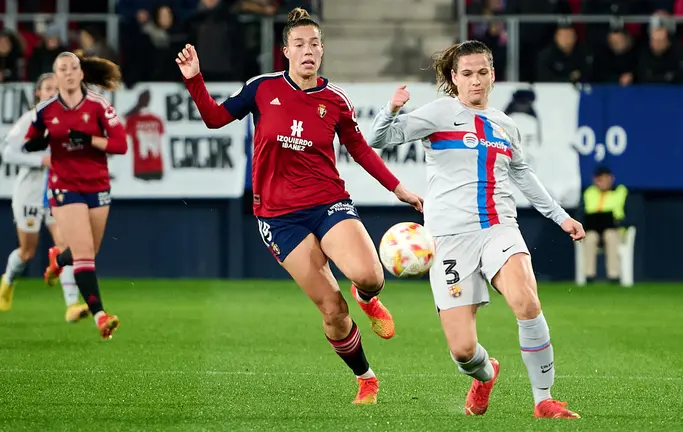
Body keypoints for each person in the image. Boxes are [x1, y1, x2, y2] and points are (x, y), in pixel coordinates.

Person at [176, 7, 423, 405]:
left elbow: (360, 149)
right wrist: (195, 80)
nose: (308, 50)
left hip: (328, 203)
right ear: (286, 51)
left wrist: (398, 188)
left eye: (314, 44)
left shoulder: (335, 100)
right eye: (299, 44)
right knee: (333, 310)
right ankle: (366, 379)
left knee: (370, 276)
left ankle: (368, 298)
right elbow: (215, 119)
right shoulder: (261, 88)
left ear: (322, 50)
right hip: (279, 217)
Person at [369, 40, 585, 419]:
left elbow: (522, 173)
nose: (475, 81)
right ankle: (485, 375)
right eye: (467, 74)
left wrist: (560, 216)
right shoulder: (439, 113)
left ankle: (544, 399)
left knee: (527, 302)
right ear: (455, 78)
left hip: (498, 227)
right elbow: (377, 139)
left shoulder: (506, 125)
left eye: (482, 72)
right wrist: (391, 110)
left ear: (493, 75)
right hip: (449, 239)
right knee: (463, 351)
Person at [25, 52, 126, 340]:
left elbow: (120, 145)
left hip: (97, 185)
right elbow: (29, 142)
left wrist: (89, 139)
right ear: (56, 77)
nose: (68, 73)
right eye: (62, 69)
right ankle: (101, 316)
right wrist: (40, 141)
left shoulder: (98, 105)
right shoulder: (45, 110)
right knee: (84, 256)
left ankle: (58, 260)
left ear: (81, 74)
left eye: (73, 68)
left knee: (88, 252)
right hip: (64, 185)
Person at [0, 73, 90, 323]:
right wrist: (41, 160)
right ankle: (8, 281)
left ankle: (72, 305)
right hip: (29, 192)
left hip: (56, 191)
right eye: (47, 88)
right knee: (27, 252)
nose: (52, 92)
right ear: (38, 93)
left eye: (56, 88)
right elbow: (8, 153)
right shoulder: (30, 120)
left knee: (66, 244)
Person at [580, 165, 628, 283]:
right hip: (593, 230)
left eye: (605, 179)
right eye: (599, 179)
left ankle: (613, 276)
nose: (602, 182)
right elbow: (580, 214)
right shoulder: (589, 193)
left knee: (610, 235)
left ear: (611, 179)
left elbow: (631, 215)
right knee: (590, 238)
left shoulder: (621, 192)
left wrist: (617, 222)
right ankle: (589, 276)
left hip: (615, 230)